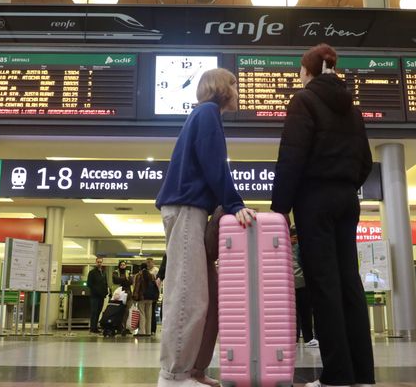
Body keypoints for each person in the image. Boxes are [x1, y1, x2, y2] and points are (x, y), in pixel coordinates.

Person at [270, 43, 374, 387]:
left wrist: (280, 208)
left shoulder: (304, 101)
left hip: (315, 199)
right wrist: (346, 185)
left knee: (324, 285)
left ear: (309, 70)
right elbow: (364, 161)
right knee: (349, 283)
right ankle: (362, 372)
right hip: (348, 199)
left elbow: (292, 156)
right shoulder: (353, 108)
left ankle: (336, 375)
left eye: (300, 69)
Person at [155, 68, 256, 387]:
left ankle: (194, 370)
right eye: (235, 85)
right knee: (188, 294)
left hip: (192, 209)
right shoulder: (208, 113)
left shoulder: (204, 116)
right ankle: (174, 374)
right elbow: (215, 163)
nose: (238, 92)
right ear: (221, 87)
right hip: (187, 208)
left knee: (207, 294)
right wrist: (235, 203)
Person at [291, 225, 318, 348]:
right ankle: (294, 338)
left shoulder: (301, 247)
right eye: (293, 237)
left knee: (305, 312)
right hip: (289, 286)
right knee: (293, 314)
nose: (295, 240)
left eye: (296, 237)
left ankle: (308, 338)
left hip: (303, 285)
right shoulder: (283, 248)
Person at [133, 263, 158, 336]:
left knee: (142, 313)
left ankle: (142, 332)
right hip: (150, 298)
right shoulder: (152, 275)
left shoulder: (139, 275)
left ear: (140, 267)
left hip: (142, 297)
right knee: (149, 315)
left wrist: (135, 296)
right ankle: (148, 332)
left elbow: (137, 287)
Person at [87, 256, 108, 334]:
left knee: (99, 311)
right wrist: (97, 291)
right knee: (94, 312)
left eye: (100, 262)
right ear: (96, 262)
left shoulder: (103, 272)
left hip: (101, 296)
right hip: (94, 296)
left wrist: (106, 292)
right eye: (98, 262)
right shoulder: (92, 272)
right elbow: (89, 284)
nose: (99, 263)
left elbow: (105, 283)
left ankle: (95, 327)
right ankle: (92, 327)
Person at [113, 261, 133, 335]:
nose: (122, 266)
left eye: (124, 264)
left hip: (128, 294)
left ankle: (124, 327)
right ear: (119, 265)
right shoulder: (115, 272)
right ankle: (118, 327)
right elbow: (115, 280)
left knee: (126, 311)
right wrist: (125, 279)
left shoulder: (128, 271)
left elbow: (131, 281)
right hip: (118, 294)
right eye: (121, 264)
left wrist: (122, 279)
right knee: (118, 311)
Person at [146, 257, 160, 334]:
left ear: (152, 262)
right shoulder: (147, 270)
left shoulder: (156, 270)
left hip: (154, 293)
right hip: (148, 293)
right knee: (148, 312)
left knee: (152, 312)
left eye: (149, 262)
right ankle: (148, 328)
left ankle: (153, 329)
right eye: (147, 262)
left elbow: (157, 282)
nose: (148, 264)